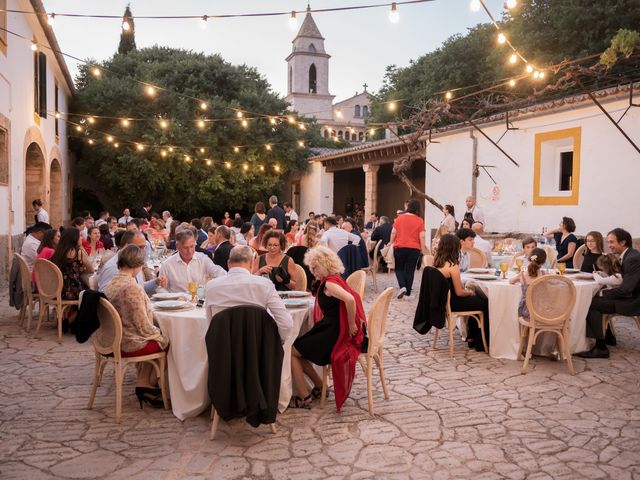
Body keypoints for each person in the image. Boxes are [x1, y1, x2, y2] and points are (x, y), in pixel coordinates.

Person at [291, 246, 366, 409]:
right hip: (332, 328)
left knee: (292, 351)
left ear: (323, 265)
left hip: (334, 333)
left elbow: (350, 300)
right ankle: (319, 387)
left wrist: (352, 324)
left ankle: (304, 397)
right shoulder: (335, 278)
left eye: (314, 267)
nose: (312, 271)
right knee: (298, 350)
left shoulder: (330, 284)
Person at [105, 245, 169, 408]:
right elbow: (143, 326)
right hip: (128, 341)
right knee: (166, 342)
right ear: (138, 264)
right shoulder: (131, 288)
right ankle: (147, 385)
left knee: (157, 338)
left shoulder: (114, 282)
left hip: (115, 337)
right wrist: (162, 335)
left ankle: (145, 384)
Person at [204, 245, 293, 342]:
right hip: (256, 349)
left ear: (229, 263)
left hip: (224, 349)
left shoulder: (211, 287)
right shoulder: (265, 285)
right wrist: (277, 342)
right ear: (252, 263)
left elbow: (210, 325)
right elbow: (286, 323)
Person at [579, 228, 640, 358]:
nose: (609, 245)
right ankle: (608, 337)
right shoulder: (629, 255)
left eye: (612, 242)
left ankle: (601, 347)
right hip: (630, 297)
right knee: (594, 301)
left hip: (633, 302)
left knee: (591, 304)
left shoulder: (632, 259)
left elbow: (626, 289)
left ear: (623, 242)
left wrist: (603, 294)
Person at [434, 234, 489, 351]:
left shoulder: (437, 263)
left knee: (478, 300)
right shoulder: (452, 266)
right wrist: (469, 293)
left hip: (443, 302)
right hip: (454, 303)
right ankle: (481, 342)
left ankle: (471, 337)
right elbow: (459, 292)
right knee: (486, 302)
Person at [157, 230, 226, 293]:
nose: (189, 251)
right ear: (177, 247)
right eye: (185, 248)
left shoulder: (203, 259)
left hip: (200, 302)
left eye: (192, 246)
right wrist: (171, 300)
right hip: (178, 303)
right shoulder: (168, 264)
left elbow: (218, 272)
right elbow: (160, 288)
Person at [98, 231, 166, 295]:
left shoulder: (133, 261)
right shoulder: (113, 266)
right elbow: (104, 298)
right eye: (139, 247)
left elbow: (140, 287)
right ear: (126, 246)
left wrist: (156, 282)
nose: (143, 251)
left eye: (144, 247)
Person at [50, 228, 94, 323]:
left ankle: (66, 318)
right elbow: (91, 270)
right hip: (72, 290)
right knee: (91, 296)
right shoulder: (78, 252)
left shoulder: (57, 252)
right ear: (74, 238)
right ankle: (70, 320)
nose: (81, 238)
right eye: (80, 236)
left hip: (57, 289)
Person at [391, 199, 427, 299]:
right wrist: (422, 250)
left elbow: (393, 232)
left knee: (399, 268)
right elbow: (422, 236)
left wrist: (391, 242)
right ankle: (407, 293)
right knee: (410, 270)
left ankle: (402, 287)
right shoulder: (420, 220)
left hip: (399, 247)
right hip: (414, 249)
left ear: (408, 207)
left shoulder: (400, 218)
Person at [509, 248, 547, 321]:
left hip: (527, 312)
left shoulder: (522, 275)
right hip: (542, 312)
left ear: (529, 259)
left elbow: (511, 281)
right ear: (544, 262)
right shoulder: (545, 275)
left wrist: (518, 279)